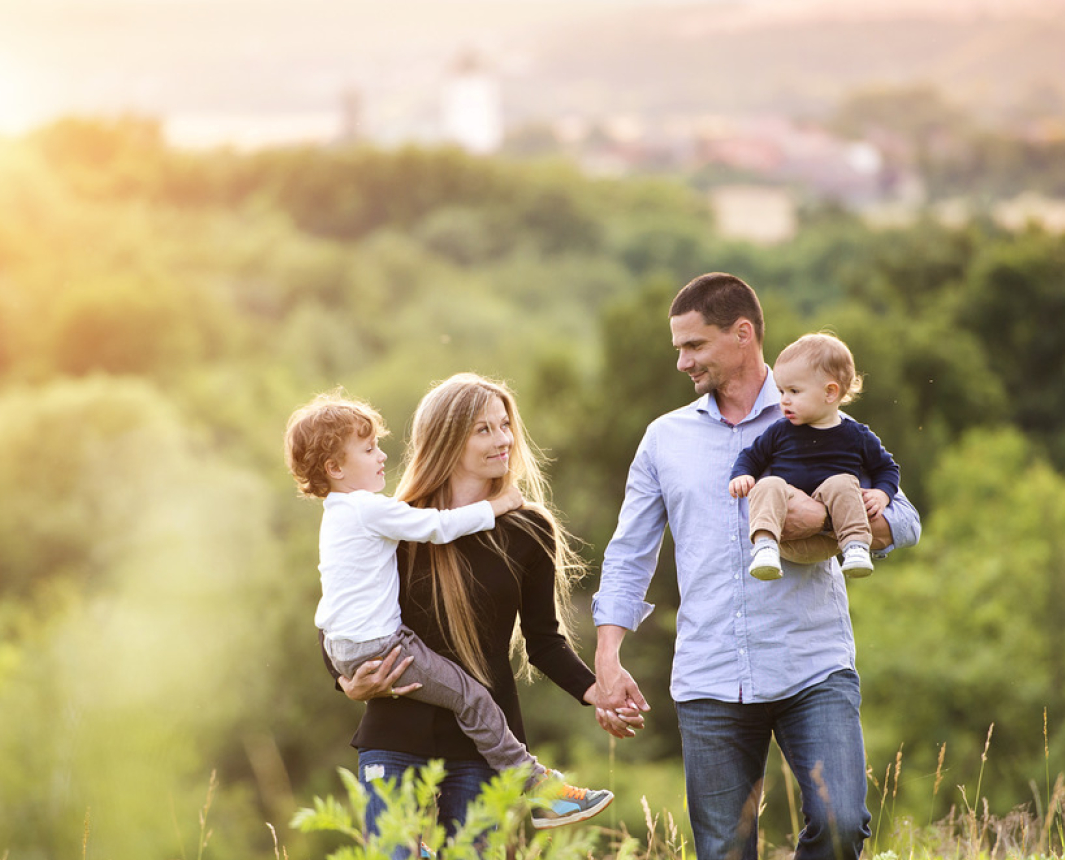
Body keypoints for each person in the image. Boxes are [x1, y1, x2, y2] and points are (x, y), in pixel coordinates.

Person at [591, 273, 922, 860]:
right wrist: (608, 654)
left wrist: (822, 519)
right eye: (679, 348)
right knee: (723, 851)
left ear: (742, 334)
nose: (682, 362)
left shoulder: (817, 411)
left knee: (842, 824)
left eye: (695, 345)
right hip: (710, 673)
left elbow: (906, 521)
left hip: (811, 664)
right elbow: (628, 553)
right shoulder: (665, 439)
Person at [321, 374, 614, 848]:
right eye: (484, 429)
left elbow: (544, 641)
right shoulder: (400, 521)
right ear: (448, 439)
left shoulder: (528, 529)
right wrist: (347, 681)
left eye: (505, 425)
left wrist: (599, 692)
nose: (503, 440)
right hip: (395, 733)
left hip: (484, 747)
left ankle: (541, 788)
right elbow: (341, 606)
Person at [728, 332, 902, 581]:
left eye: (794, 391)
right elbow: (751, 456)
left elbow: (887, 468)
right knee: (768, 484)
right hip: (786, 537)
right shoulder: (780, 431)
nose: (784, 401)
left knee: (843, 482)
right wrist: (742, 475)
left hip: (834, 541)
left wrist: (882, 494)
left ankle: (856, 548)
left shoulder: (856, 435)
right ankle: (764, 547)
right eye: (781, 391)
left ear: (830, 393)